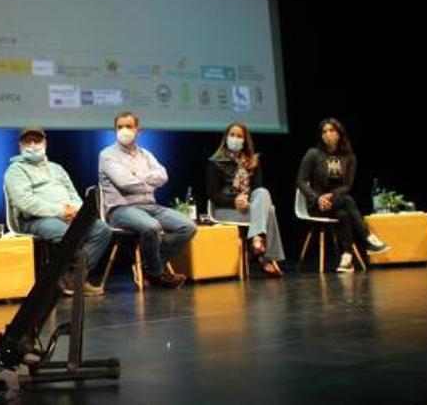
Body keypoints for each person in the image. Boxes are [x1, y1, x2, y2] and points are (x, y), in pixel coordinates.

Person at [4, 126, 113, 296]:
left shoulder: (57, 168)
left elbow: (73, 194)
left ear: (45, 143)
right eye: (28, 141)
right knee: (67, 233)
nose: (33, 145)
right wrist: (60, 211)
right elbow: (26, 203)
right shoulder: (15, 170)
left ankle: (74, 277)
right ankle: (69, 279)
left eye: (37, 140)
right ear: (20, 145)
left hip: (67, 215)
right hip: (34, 219)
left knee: (102, 230)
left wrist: (77, 211)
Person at [98, 111, 196, 288]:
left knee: (188, 227)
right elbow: (125, 183)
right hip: (121, 208)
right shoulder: (107, 155)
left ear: (138, 130)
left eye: (129, 126)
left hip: (149, 205)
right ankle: (156, 274)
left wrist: (138, 175)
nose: (124, 130)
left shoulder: (146, 154)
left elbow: (163, 176)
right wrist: (149, 181)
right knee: (152, 226)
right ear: (114, 130)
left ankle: (147, 265)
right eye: (120, 127)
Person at [296, 118, 391, 273]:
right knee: (347, 201)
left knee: (343, 213)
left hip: (336, 202)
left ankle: (346, 258)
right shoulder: (313, 154)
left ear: (339, 134)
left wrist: (331, 196)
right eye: (324, 131)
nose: (327, 134)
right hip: (316, 204)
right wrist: (318, 198)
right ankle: (367, 238)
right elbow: (300, 181)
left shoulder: (349, 157)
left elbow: (347, 185)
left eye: (331, 130)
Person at [205, 122, 284, 277]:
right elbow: (212, 194)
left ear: (245, 140)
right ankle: (264, 257)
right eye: (232, 135)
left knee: (263, 192)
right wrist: (234, 201)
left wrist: (246, 198)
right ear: (226, 138)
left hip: (248, 205)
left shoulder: (253, 161)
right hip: (225, 208)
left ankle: (256, 239)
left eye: (239, 136)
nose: (235, 139)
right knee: (270, 211)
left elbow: (258, 188)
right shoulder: (215, 162)